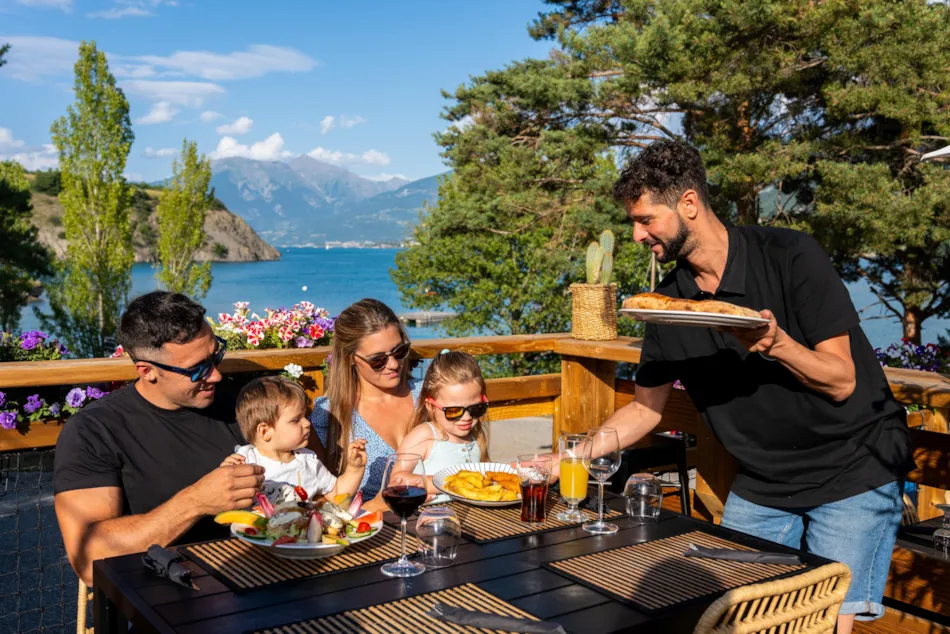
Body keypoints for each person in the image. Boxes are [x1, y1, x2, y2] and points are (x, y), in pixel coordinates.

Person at [588, 140, 913, 633]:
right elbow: (646, 411)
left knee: (824, 625)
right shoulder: (667, 302)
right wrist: (571, 456)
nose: (636, 234)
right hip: (763, 483)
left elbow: (842, 379)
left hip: (854, 466)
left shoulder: (790, 255)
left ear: (689, 204)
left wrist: (775, 342)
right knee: (729, 617)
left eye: (646, 219)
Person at [53, 292, 265, 587]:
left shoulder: (240, 406)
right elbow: (90, 562)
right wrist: (196, 502)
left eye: (216, 355)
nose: (216, 376)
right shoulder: (95, 430)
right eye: (197, 369)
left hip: (263, 578)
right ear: (147, 371)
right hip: (164, 601)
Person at [309, 299, 422, 510]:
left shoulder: (428, 395)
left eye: (399, 351)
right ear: (350, 358)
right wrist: (374, 506)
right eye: (378, 360)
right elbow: (319, 506)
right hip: (369, 534)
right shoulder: (329, 415)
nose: (394, 364)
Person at [220, 376, 368, 504]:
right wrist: (225, 475)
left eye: (304, 416)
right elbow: (226, 502)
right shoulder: (245, 461)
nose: (307, 423)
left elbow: (337, 495)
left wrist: (355, 469)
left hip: (301, 535)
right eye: (296, 420)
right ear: (265, 431)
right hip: (253, 535)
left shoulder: (308, 461)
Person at [397, 350, 490, 502]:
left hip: (472, 519)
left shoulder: (476, 436)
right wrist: (453, 481)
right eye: (454, 411)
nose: (466, 417)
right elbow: (397, 480)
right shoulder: (424, 436)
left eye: (476, 408)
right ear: (430, 406)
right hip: (429, 518)